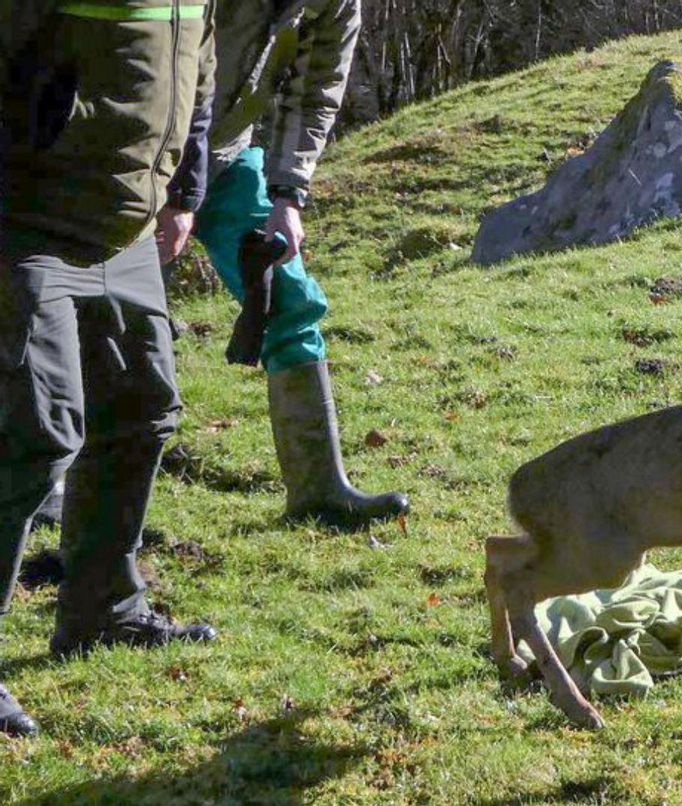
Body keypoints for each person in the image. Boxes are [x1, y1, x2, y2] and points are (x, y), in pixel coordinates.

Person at [0, 2, 220, 737]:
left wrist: (185, 188)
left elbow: (200, 57)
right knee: (34, 434)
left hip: (126, 221)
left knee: (141, 409)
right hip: (29, 217)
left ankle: (103, 608)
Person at [157, 0, 410, 528]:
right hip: (133, 157)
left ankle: (319, 492)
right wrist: (170, 188)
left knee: (288, 297)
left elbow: (314, 91)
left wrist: (287, 195)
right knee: (97, 323)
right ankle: (53, 495)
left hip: (224, 158)